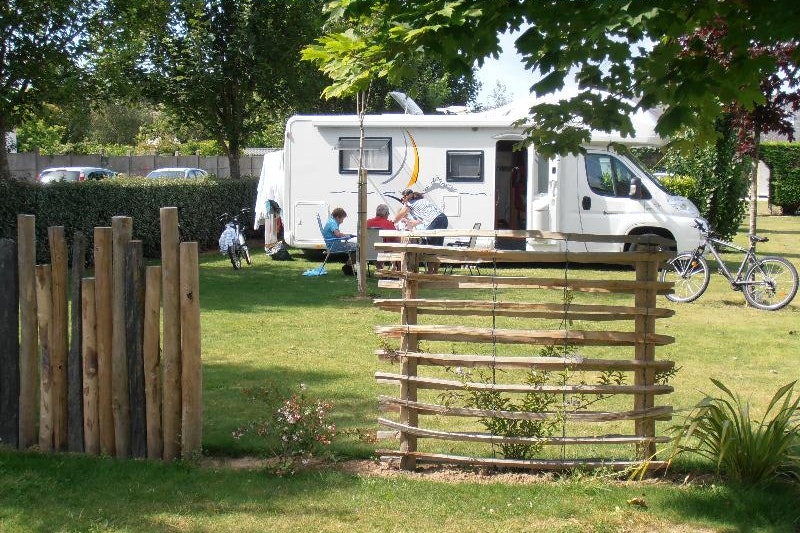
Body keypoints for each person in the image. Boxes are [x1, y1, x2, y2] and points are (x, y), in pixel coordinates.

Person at [393, 188, 448, 273]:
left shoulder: (409, 204)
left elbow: (400, 215)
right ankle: (435, 271)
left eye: (402, 198)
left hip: (434, 220)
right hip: (443, 218)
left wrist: (392, 222)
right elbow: (420, 221)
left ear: (406, 197)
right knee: (438, 246)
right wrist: (411, 223)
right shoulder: (421, 201)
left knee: (430, 247)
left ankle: (430, 272)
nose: (402, 200)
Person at [323, 207, 357, 274]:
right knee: (358, 248)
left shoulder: (330, 221)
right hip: (335, 246)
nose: (342, 221)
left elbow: (337, 234)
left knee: (356, 247)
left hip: (333, 244)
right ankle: (348, 267)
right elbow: (337, 234)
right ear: (338, 217)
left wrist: (346, 235)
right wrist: (346, 236)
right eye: (342, 219)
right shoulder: (333, 223)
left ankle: (348, 266)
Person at [367, 204, 399, 270]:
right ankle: (398, 270)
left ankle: (380, 268)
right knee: (400, 248)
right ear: (386, 213)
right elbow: (397, 239)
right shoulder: (388, 224)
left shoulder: (367, 222)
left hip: (367, 252)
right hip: (382, 252)